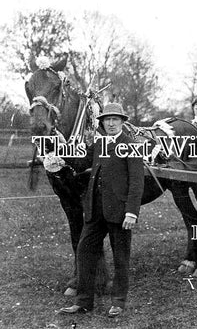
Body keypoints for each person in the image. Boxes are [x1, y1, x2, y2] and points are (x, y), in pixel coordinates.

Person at [59, 103, 144, 317]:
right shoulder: (99, 144)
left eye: (116, 119)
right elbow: (80, 162)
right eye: (108, 120)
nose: (112, 123)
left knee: (120, 258)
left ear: (123, 122)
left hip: (120, 213)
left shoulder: (130, 145)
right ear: (102, 123)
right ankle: (84, 301)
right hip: (95, 212)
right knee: (84, 251)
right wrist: (58, 156)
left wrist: (131, 212)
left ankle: (118, 302)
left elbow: (136, 181)